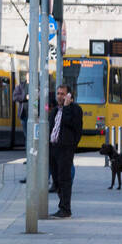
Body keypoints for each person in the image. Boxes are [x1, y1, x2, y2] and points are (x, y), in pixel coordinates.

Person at [47, 84, 82, 218]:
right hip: (54, 149)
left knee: (64, 179)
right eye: (58, 94)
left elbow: (73, 126)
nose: (59, 96)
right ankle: (62, 205)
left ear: (69, 96)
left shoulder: (75, 110)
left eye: (62, 94)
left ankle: (65, 208)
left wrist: (67, 107)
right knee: (56, 180)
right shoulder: (55, 111)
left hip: (65, 149)